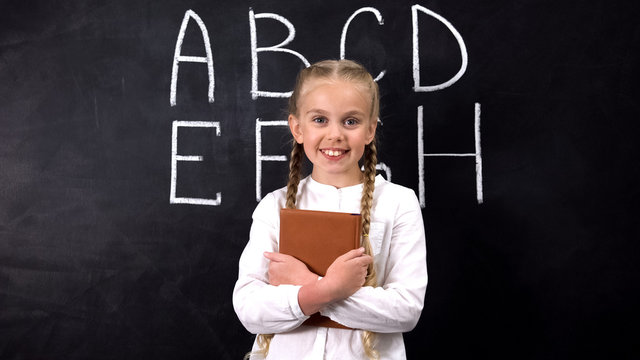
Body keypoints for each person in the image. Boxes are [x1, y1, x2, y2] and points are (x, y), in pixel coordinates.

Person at [233, 59, 427, 359]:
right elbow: (249, 308)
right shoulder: (274, 207)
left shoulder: (399, 203)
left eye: (350, 121)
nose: (335, 134)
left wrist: (306, 284)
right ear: (297, 128)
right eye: (320, 120)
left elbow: (405, 310)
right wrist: (327, 290)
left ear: (370, 130)